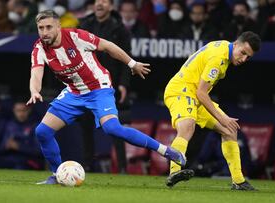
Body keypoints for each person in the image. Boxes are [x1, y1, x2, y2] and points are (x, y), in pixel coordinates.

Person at [27, 10, 186, 184]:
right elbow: (36, 74)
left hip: (98, 89)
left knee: (112, 128)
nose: (44, 32)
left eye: (48, 27)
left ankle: (166, 151)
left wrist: (132, 63)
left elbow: (108, 46)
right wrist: (35, 91)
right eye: (40, 28)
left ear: (58, 26)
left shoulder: (75, 36)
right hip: (74, 92)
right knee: (42, 131)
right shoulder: (39, 48)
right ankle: (57, 175)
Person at [163, 31, 261, 190]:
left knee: (229, 130)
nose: (243, 59)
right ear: (236, 43)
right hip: (181, 90)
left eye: (248, 57)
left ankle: (239, 181)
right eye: (243, 53)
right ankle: (174, 172)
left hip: (194, 93)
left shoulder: (224, 46)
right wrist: (222, 118)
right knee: (187, 127)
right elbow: (201, 93)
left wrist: (224, 121)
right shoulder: (219, 58)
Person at [79, 0, 131, 173]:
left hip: (110, 84)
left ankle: (122, 167)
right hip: (85, 84)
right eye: (97, 1)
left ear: (111, 6)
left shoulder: (120, 29)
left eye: (104, 1)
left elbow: (126, 59)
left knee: (114, 126)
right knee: (86, 126)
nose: (99, 4)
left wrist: (124, 84)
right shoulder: (85, 24)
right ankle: (88, 165)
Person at [0, 99, 43, 170]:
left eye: (24, 110)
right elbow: (1, 147)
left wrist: (19, 146)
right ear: (14, 111)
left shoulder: (36, 126)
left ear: (29, 110)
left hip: (30, 160)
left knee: (19, 166)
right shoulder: (10, 125)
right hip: (11, 158)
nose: (21, 113)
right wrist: (6, 145)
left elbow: (39, 151)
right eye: (18, 110)